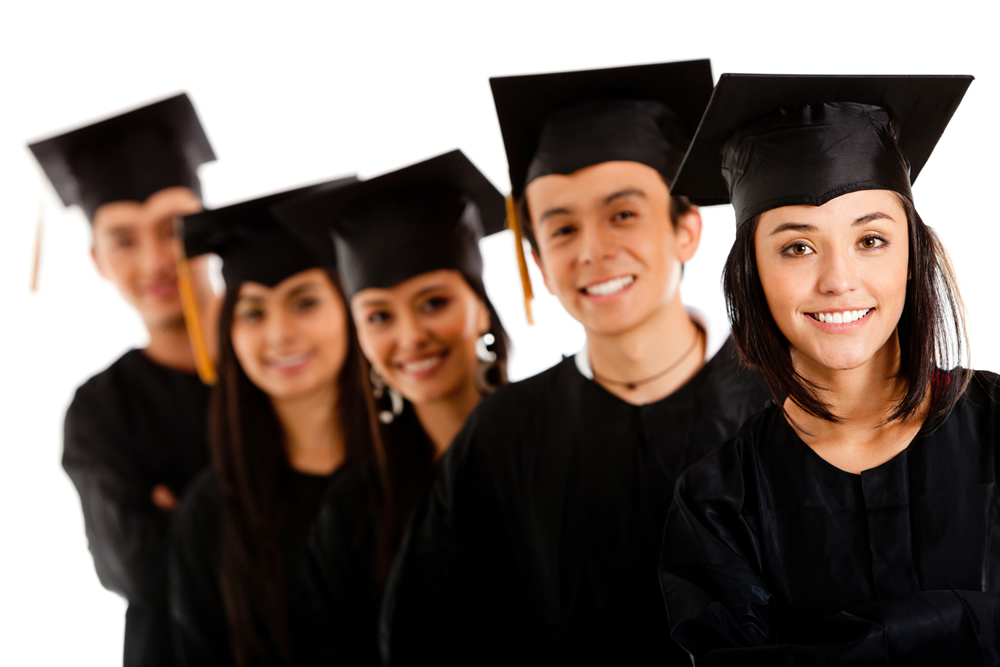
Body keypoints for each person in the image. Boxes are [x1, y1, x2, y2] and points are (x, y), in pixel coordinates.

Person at [381, 62, 772, 665]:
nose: (592, 250)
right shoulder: (502, 436)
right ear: (538, 262)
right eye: (561, 229)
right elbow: (427, 635)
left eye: (623, 214)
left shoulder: (787, 400)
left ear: (687, 230)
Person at [659, 73, 1000, 664]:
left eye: (871, 239)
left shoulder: (998, 427)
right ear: (752, 275)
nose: (840, 280)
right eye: (798, 247)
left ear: (913, 258)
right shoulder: (719, 503)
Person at [273, 149, 510, 662]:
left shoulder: (559, 443)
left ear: (482, 310)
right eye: (378, 317)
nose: (410, 337)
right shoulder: (353, 513)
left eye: (433, 303)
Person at [28, 93, 217, 667]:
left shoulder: (293, 361)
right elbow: (134, 569)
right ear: (97, 259)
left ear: (210, 225)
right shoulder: (101, 409)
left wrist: (187, 518)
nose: (156, 260)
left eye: (174, 226)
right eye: (124, 239)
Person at [167, 178, 378, 666]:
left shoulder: (415, 466)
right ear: (230, 333)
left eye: (305, 302)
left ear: (349, 308)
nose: (280, 333)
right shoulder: (209, 517)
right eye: (253, 312)